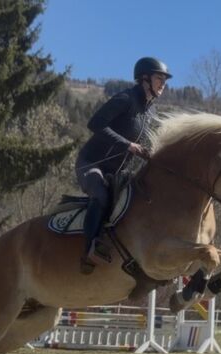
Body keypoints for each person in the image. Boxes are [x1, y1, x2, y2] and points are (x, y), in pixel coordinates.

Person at [75, 57, 172, 274]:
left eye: (165, 80)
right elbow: (94, 124)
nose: (163, 84)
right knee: (100, 194)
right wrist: (127, 144)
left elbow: (145, 144)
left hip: (118, 173)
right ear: (144, 79)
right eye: (159, 78)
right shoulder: (125, 99)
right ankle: (89, 249)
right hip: (91, 164)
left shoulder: (151, 112)